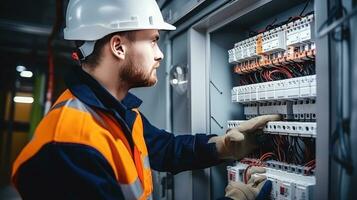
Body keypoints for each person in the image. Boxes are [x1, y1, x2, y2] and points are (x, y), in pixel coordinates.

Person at [11, 0, 280, 199]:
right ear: (118, 47)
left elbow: (165, 149)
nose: (160, 54)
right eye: (152, 41)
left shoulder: (117, 112)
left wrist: (224, 146)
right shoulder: (68, 145)